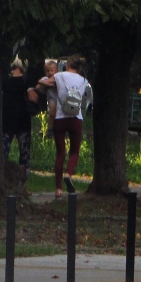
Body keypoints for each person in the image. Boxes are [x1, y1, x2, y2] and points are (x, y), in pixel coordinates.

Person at [51, 55, 92, 199]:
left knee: (60, 153)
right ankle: (68, 173)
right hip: (76, 118)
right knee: (74, 151)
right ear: (79, 67)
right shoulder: (84, 81)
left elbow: (47, 82)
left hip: (61, 118)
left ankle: (58, 189)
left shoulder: (59, 76)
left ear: (67, 65)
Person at [1, 57, 33, 178]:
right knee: (24, 154)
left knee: (3, 152)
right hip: (23, 121)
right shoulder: (26, 81)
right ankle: (23, 183)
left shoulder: (5, 80)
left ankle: (2, 178)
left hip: (6, 120)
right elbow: (32, 97)